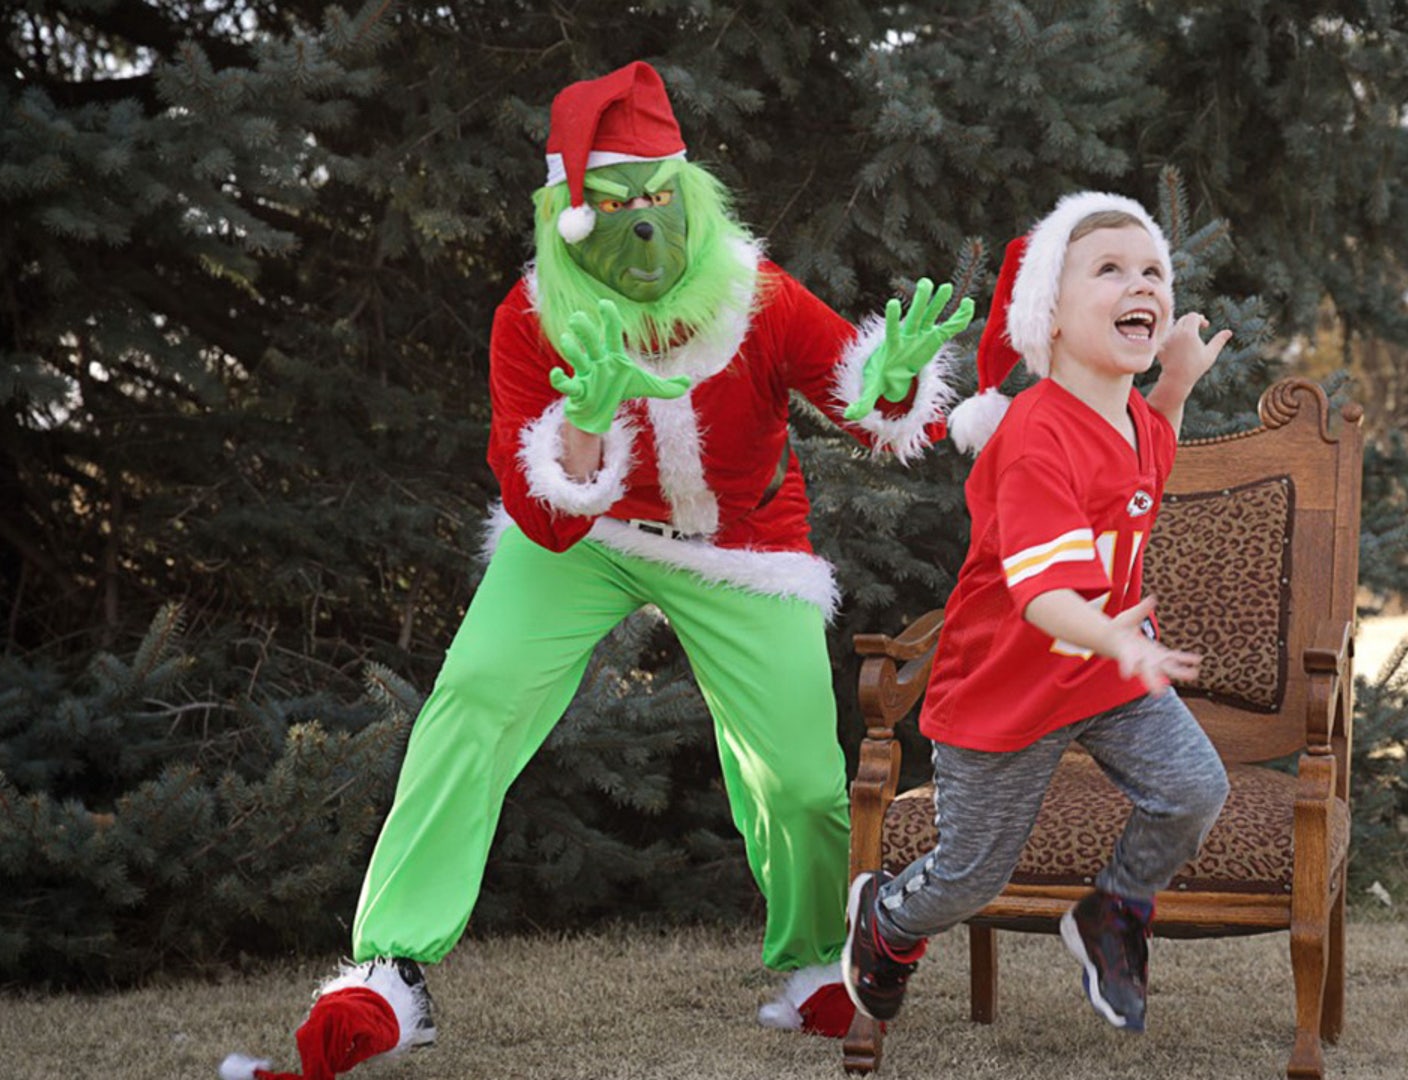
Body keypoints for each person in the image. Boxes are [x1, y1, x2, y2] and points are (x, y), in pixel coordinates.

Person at [221, 61, 972, 1080]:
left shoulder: (763, 297)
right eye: (616, 205)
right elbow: (541, 508)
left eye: (661, 196)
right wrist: (582, 420)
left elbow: (869, 407)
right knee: (475, 695)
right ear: (572, 218)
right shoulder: (530, 319)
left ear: (692, 197)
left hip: (741, 547)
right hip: (586, 539)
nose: (644, 224)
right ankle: (388, 968)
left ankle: (808, 963)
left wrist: (888, 384)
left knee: (798, 776)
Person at [840, 192, 1234, 1036]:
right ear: (1047, 316)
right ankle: (886, 921)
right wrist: (1116, 637)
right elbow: (1044, 596)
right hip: (1005, 693)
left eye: (1154, 270)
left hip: (1106, 674)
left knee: (1195, 789)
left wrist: (1176, 382)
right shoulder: (1033, 437)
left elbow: (1154, 450)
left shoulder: (1129, 417)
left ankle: (1115, 912)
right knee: (969, 879)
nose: (1143, 284)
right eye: (1112, 270)